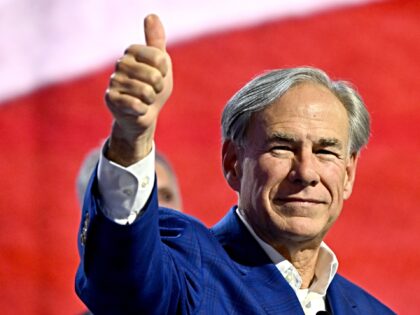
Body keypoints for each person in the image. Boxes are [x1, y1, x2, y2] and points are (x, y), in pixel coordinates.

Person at [75, 14, 395, 314]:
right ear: (233, 163)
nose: (306, 172)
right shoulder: (190, 268)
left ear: (349, 173)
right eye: (282, 147)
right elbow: (123, 281)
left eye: (326, 151)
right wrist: (132, 137)